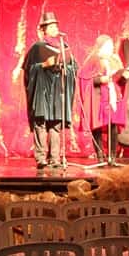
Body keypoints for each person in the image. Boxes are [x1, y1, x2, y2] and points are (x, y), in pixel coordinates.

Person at [22, 11, 77, 170]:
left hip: (58, 90)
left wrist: (66, 66)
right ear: (44, 29)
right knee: (40, 122)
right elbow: (28, 70)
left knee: (55, 124)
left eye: (55, 25)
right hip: (42, 90)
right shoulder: (37, 48)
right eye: (50, 26)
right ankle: (40, 158)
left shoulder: (64, 46)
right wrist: (44, 65)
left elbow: (74, 67)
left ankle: (55, 158)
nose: (54, 28)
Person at [78, 34, 129, 163]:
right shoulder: (93, 59)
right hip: (98, 97)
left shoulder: (114, 60)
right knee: (98, 126)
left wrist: (125, 76)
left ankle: (112, 157)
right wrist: (101, 79)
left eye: (112, 45)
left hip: (112, 95)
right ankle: (100, 156)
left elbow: (119, 81)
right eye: (110, 45)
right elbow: (85, 79)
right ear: (102, 46)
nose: (112, 47)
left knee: (113, 126)